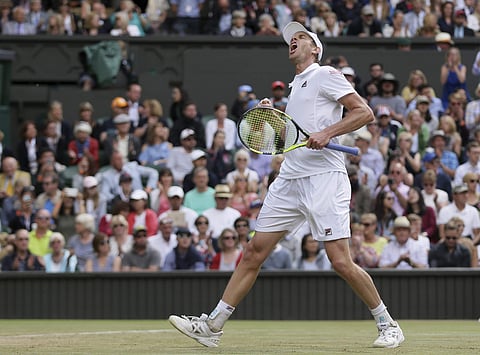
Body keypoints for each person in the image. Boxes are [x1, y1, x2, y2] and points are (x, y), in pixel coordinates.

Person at [169, 21, 404, 349]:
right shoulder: (296, 89)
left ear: (315, 49)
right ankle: (213, 326)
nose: (293, 41)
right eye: (290, 39)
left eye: (301, 37)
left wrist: (327, 133)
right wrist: (270, 118)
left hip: (324, 179)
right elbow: (287, 138)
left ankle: (387, 323)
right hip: (290, 179)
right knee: (253, 251)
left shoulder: (325, 74)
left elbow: (364, 113)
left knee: (339, 261)